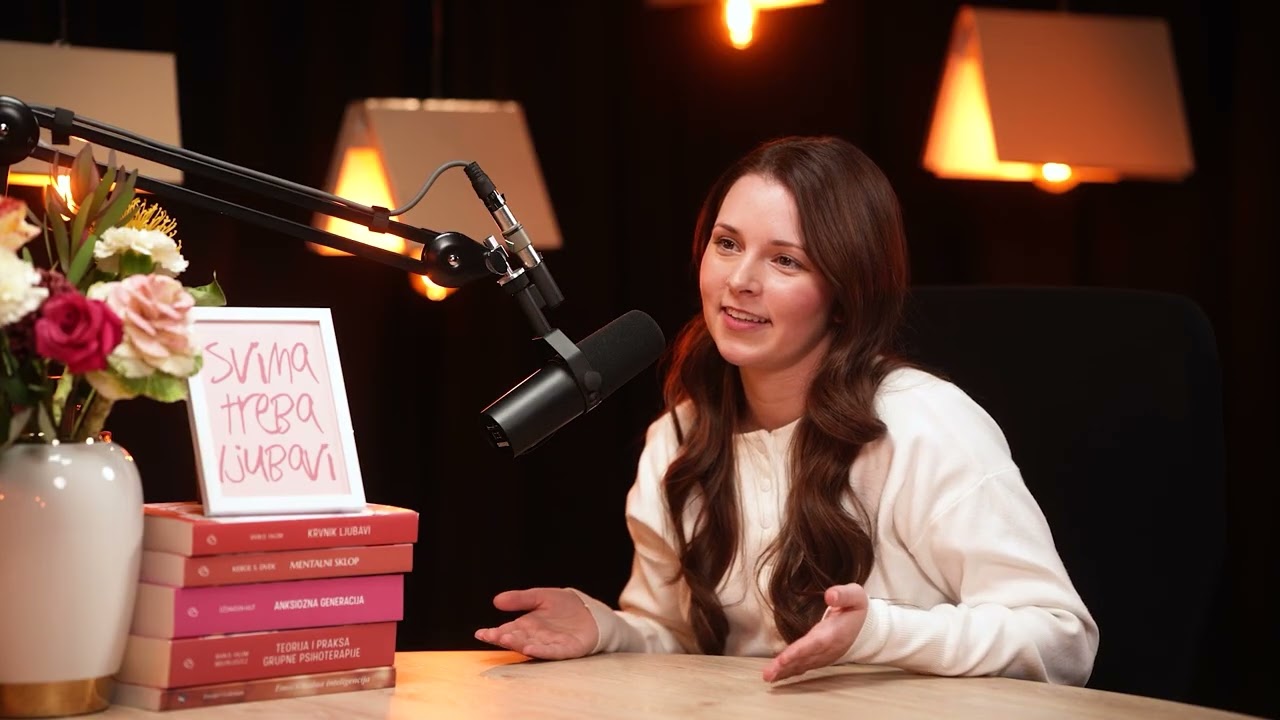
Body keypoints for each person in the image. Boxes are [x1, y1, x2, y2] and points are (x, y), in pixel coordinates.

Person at [474, 136, 1099, 685]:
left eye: (785, 260)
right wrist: (607, 628)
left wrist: (879, 632)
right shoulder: (678, 437)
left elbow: (1060, 638)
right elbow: (679, 644)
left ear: (846, 294)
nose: (740, 280)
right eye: (727, 244)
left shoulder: (926, 426)